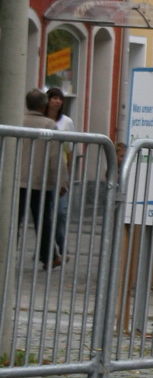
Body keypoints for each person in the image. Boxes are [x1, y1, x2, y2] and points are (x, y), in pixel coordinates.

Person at [19, 89, 62, 268]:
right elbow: (55, 156)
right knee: (43, 220)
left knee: (12, 219)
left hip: (15, 178)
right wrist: (60, 180)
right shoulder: (49, 125)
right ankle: (49, 256)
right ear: (43, 106)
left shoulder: (16, 120)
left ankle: (5, 252)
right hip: (40, 180)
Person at [44, 85, 74, 259]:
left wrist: (67, 173)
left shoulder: (66, 122)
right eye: (54, 97)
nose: (57, 101)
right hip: (41, 170)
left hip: (60, 170)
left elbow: (69, 149)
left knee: (60, 212)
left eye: (60, 98)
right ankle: (47, 248)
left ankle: (61, 245)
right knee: (45, 212)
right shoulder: (42, 120)